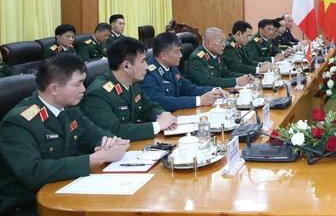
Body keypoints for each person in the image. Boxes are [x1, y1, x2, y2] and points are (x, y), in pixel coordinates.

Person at [0, 55, 128, 214]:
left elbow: (95, 133)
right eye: (78, 84)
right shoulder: (18, 122)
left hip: (66, 187)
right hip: (32, 205)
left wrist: (109, 142)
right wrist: (96, 158)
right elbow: (32, 173)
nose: (84, 89)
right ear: (54, 89)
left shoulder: (68, 109)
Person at [82, 37, 177, 141]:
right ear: (126, 66)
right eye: (143, 61)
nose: (147, 67)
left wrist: (162, 115)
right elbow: (114, 131)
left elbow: (149, 107)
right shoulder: (98, 93)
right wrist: (157, 126)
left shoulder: (133, 83)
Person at [141, 32, 228, 112]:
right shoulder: (149, 74)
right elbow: (162, 101)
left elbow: (187, 87)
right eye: (177, 51)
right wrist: (199, 100)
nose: (181, 55)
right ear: (164, 55)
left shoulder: (171, 66)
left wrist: (213, 90)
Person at [187, 27, 255, 88]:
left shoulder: (216, 53)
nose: (224, 45)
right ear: (208, 43)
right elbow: (208, 82)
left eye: (224, 41)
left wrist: (246, 76)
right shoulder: (197, 58)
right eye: (221, 41)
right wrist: (236, 81)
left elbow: (225, 73)